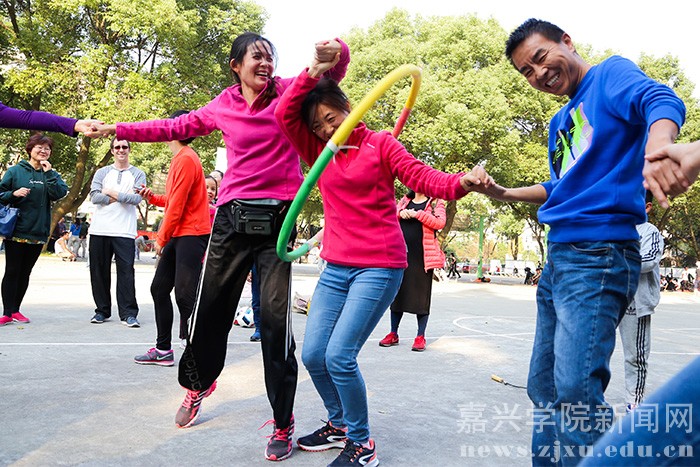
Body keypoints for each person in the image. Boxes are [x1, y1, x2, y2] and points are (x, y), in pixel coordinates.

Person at [87, 32, 350, 462]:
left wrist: (335, 50)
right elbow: (172, 127)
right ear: (236, 65)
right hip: (230, 221)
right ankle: (198, 384)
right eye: (256, 56)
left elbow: (331, 78)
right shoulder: (223, 104)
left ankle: (282, 421)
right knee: (208, 313)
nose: (265, 63)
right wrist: (116, 128)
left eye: (270, 56)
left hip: (278, 222)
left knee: (274, 326)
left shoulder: (289, 91)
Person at [469, 18, 685, 464]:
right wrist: (502, 192)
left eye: (541, 57)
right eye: (527, 71)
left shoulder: (609, 75)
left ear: (566, 42)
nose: (538, 74)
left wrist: (659, 147)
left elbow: (660, 99)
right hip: (559, 260)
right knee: (543, 386)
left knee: (575, 392)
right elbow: (560, 187)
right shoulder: (561, 122)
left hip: (598, 256)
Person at [274, 53, 485, 467]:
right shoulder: (319, 152)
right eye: (317, 125)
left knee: (339, 356)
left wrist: (462, 182)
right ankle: (339, 423)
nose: (326, 129)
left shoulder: (381, 144)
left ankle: (362, 442)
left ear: (349, 108)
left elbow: (424, 177)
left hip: (379, 266)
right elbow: (284, 115)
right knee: (314, 355)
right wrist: (312, 72)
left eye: (331, 118)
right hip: (335, 268)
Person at [133, 110, 211, 367]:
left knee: (185, 295)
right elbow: (175, 199)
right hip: (181, 233)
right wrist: (153, 198)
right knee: (159, 288)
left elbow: (177, 205)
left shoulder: (186, 158)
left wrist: (161, 238)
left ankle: (196, 351)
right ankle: (163, 349)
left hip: (191, 234)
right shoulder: (181, 158)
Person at [0, 134, 69, 326]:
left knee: (25, 272)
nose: (43, 151)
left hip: (39, 231)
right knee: (12, 271)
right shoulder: (15, 171)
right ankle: (6, 312)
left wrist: (49, 173)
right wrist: (13, 194)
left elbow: (59, 193)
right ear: (30, 149)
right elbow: (1, 194)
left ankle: (16, 310)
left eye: (47, 148)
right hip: (17, 230)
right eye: (39, 147)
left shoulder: (51, 174)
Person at [88, 138, 146, 327]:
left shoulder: (138, 174)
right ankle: (101, 311)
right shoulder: (102, 172)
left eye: (124, 147)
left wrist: (111, 192)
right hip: (100, 230)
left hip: (124, 231)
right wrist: (122, 197)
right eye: (117, 147)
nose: (121, 150)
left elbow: (136, 199)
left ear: (129, 149)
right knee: (99, 272)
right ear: (112, 150)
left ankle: (128, 314)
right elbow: (94, 197)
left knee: (126, 273)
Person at [379, 190, 446, 352]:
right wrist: (400, 213)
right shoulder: (405, 201)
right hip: (401, 255)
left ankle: (420, 336)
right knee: (398, 295)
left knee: (421, 298)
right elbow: (390, 217)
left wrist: (417, 214)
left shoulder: (436, 202)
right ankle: (393, 333)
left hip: (423, 258)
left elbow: (440, 223)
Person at [618, 191, 663, 412]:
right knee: (596, 350)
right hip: (610, 298)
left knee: (635, 356)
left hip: (636, 303)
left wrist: (617, 260)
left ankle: (634, 402)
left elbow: (648, 260)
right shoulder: (616, 229)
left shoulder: (649, 231)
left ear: (647, 207)